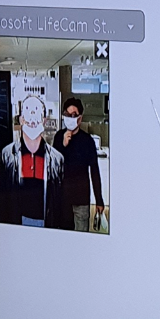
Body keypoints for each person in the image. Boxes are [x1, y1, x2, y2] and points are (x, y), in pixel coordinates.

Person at [0, 94, 67, 228]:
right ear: (21, 119)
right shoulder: (7, 155)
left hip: (46, 224)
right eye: (28, 113)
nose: (32, 120)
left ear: (44, 120)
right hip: (17, 223)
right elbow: (1, 199)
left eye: (37, 113)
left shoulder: (57, 159)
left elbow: (61, 201)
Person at [57, 97, 105, 232]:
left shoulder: (88, 141)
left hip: (81, 198)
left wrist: (99, 200)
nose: (70, 118)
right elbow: (54, 167)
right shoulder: (58, 137)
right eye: (67, 114)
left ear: (80, 118)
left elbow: (94, 171)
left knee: (81, 236)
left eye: (73, 115)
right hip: (62, 198)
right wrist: (63, 145)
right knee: (64, 236)